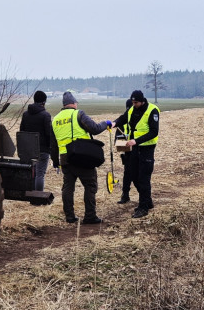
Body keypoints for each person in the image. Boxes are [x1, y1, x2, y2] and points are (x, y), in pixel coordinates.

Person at [50, 91, 113, 224]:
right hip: (81, 156)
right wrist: (106, 123)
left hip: (65, 159)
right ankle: (90, 216)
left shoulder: (55, 120)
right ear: (73, 103)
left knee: (68, 188)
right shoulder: (78, 114)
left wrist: (56, 161)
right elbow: (95, 129)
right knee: (90, 185)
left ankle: (70, 216)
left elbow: (53, 144)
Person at [112, 90, 160, 218]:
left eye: (136, 102)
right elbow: (123, 118)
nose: (134, 104)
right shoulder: (132, 110)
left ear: (142, 101)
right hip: (134, 149)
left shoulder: (152, 110)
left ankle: (143, 207)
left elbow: (154, 132)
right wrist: (114, 123)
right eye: (132, 102)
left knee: (144, 179)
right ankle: (147, 201)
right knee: (134, 176)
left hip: (146, 149)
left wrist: (136, 141)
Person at [19, 90, 53, 193]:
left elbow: (22, 131)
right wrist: (50, 148)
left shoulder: (25, 114)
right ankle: (38, 197)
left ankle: (31, 194)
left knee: (31, 173)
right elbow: (49, 134)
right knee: (40, 174)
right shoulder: (46, 115)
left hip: (29, 150)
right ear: (44, 102)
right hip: (42, 150)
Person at [115, 98, 133, 204]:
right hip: (128, 152)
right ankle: (125, 195)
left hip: (138, 150)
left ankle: (144, 197)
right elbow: (118, 140)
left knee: (134, 175)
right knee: (127, 175)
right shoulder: (123, 121)